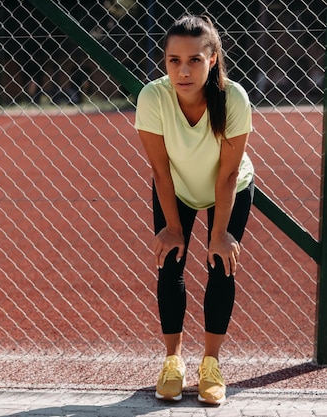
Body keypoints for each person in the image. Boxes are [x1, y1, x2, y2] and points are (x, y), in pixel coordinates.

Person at [135, 14, 254, 405]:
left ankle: (211, 364)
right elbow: (160, 168)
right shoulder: (153, 97)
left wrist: (219, 234)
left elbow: (229, 171)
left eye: (194, 61)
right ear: (165, 61)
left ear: (213, 59)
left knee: (221, 262)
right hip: (178, 187)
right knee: (170, 262)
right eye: (174, 61)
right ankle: (172, 361)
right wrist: (172, 226)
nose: (183, 71)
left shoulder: (233, 98)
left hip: (229, 186)